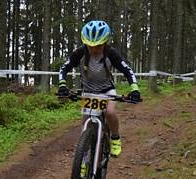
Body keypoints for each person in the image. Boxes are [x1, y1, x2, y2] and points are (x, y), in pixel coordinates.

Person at [56, 20, 141, 157]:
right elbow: (64, 68)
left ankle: (115, 138)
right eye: (90, 46)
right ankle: (83, 158)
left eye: (98, 46)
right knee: (85, 125)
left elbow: (128, 71)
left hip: (107, 90)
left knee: (110, 113)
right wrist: (62, 85)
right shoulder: (80, 52)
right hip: (88, 92)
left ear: (105, 43)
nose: (94, 49)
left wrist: (135, 89)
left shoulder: (111, 53)